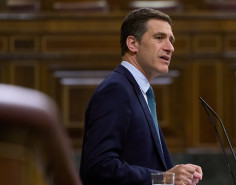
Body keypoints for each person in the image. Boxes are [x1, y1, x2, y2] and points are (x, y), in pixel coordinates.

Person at [79, 8, 203, 185]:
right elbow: (99, 167)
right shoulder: (116, 90)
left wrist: (177, 176)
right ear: (132, 44)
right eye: (159, 38)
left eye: (171, 40)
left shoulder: (137, 90)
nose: (170, 47)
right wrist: (165, 179)